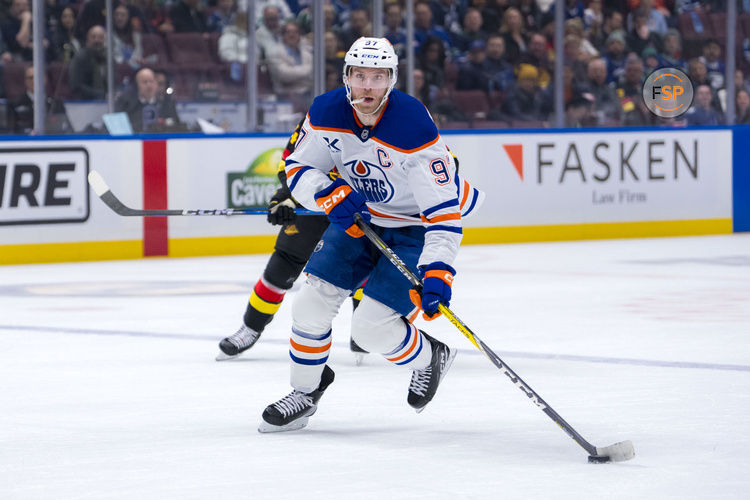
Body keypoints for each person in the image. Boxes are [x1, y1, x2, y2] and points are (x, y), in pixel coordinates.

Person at [258, 37, 484, 433]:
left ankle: (430, 356)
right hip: (363, 221)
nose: (366, 87)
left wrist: (438, 270)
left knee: (370, 329)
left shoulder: (412, 126)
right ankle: (305, 393)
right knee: (310, 306)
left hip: (415, 226)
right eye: (359, 75)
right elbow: (297, 167)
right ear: (346, 76)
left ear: (391, 80)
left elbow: (443, 212)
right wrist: (326, 193)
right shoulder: (326, 110)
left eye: (377, 78)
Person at [217, 116, 369, 363]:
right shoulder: (320, 117)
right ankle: (251, 327)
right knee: (283, 264)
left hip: (356, 207)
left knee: (364, 267)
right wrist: (287, 195)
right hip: (314, 201)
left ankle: (363, 334)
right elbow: (291, 161)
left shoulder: (387, 122)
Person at [114, 67, 182, 133]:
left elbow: (178, 128)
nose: (149, 85)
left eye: (151, 81)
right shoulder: (126, 104)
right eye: (144, 82)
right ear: (137, 85)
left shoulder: (167, 104)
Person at [8, 65, 72, 134]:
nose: (34, 80)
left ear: (45, 79)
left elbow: (68, 129)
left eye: (37, 77)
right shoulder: (15, 104)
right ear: (25, 81)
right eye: (30, 78)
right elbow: (11, 131)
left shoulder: (57, 103)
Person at [69, 25, 107, 100]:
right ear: (87, 39)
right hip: (85, 103)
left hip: (106, 101)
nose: (97, 40)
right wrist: (100, 94)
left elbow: (114, 83)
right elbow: (76, 86)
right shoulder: (80, 57)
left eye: (100, 37)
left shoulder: (108, 59)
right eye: (93, 37)